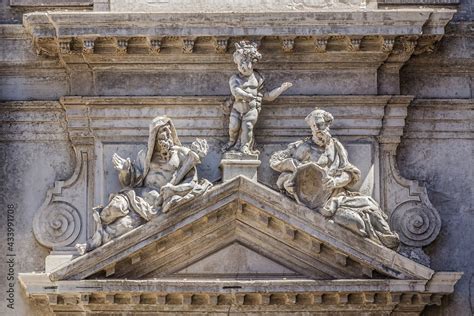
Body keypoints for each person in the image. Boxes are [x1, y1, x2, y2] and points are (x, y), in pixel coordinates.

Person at [76, 116, 211, 254]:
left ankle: (92, 244)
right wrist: (125, 170)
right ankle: (94, 235)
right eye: (163, 131)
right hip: (135, 196)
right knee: (113, 208)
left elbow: (191, 181)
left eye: (169, 130)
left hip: (152, 205)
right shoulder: (145, 156)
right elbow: (133, 179)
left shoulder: (183, 154)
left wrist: (174, 189)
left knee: (122, 226)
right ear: (154, 136)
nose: (168, 134)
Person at [270, 108, 399, 249]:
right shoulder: (305, 148)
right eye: (314, 126)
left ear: (327, 126)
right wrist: (289, 185)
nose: (317, 130)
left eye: (320, 125)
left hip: (337, 196)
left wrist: (335, 182)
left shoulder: (336, 146)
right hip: (318, 203)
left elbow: (349, 173)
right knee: (357, 222)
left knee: (369, 204)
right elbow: (291, 173)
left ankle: (388, 240)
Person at [222, 41, 292, 155]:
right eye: (239, 64)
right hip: (237, 108)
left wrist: (281, 89)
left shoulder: (258, 79)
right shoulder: (234, 78)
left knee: (248, 127)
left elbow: (267, 96)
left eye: (245, 64)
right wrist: (247, 96)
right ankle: (231, 141)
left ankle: (245, 147)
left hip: (251, 109)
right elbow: (235, 91)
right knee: (233, 127)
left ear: (252, 63)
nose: (242, 67)